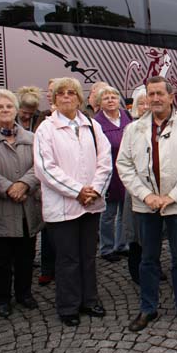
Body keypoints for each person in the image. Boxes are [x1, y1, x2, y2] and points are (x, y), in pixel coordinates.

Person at [117, 76, 177, 332]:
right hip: (147, 205)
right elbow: (124, 165)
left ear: (171, 96)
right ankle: (148, 308)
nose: (155, 98)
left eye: (160, 93)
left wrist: (173, 196)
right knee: (148, 258)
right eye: (151, 94)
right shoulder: (133, 129)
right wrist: (146, 196)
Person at [34, 77, 112, 327]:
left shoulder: (91, 125)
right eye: (61, 93)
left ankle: (89, 300)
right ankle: (68, 306)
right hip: (63, 205)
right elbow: (45, 168)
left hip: (90, 204)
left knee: (88, 255)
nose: (66, 96)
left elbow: (105, 160)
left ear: (79, 98)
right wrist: (77, 191)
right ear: (54, 99)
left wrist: (95, 190)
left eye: (71, 92)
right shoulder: (46, 129)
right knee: (68, 258)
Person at [0, 89, 43, 318]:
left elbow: (39, 166)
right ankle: (2, 298)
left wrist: (24, 184)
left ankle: (24, 293)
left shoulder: (31, 139)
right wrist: (8, 188)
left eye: (9, 106)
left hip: (26, 207)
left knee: (26, 255)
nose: (5, 110)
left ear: (16, 109)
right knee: (0, 259)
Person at [94, 86, 132, 262]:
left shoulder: (126, 116)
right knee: (108, 214)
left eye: (113, 97)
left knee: (124, 212)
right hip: (108, 172)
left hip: (126, 171)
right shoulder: (96, 122)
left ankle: (122, 244)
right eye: (106, 98)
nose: (110, 100)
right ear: (100, 102)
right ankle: (107, 248)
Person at [122, 88, 150, 284]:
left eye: (148, 103)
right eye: (141, 103)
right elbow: (126, 161)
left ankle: (151, 266)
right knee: (135, 232)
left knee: (152, 234)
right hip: (136, 189)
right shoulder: (131, 129)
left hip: (156, 190)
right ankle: (136, 271)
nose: (145, 106)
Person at [36, 78, 57, 287]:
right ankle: (47, 268)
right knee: (48, 230)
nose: (51, 94)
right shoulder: (43, 118)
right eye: (50, 91)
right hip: (50, 185)